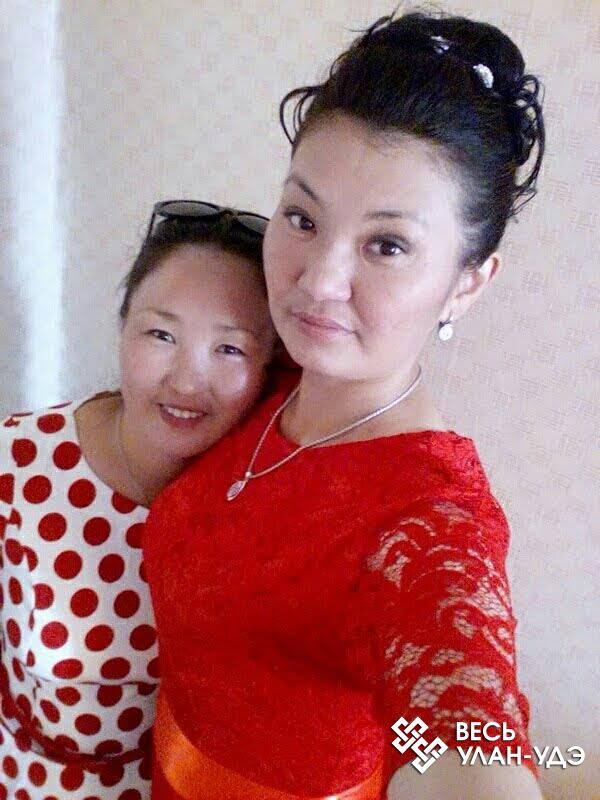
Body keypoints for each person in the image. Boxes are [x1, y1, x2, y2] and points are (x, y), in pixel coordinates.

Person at [143, 11, 546, 800]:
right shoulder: (264, 376)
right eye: (302, 218)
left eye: (387, 245)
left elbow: (469, 726)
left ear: (468, 282)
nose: (317, 281)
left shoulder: (429, 522)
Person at [0, 201, 277, 799]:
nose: (186, 380)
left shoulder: (267, 500)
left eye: (230, 349)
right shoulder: (17, 461)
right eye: (161, 334)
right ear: (123, 326)